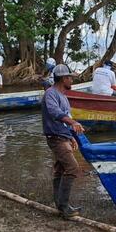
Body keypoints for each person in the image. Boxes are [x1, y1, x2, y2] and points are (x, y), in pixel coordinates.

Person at [41, 64, 86, 218]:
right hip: (55, 138)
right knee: (72, 168)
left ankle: (60, 204)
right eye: (70, 77)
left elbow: (64, 119)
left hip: (62, 136)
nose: (72, 80)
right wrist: (73, 123)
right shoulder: (51, 94)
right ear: (63, 79)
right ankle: (64, 207)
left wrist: (71, 136)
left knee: (60, 169)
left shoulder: (63, 97)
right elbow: (55, 112)